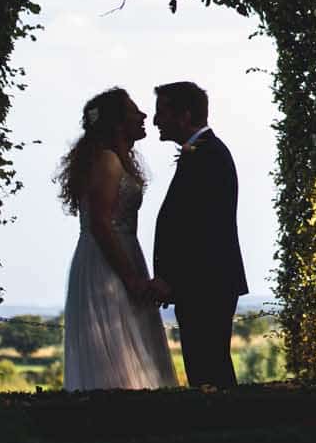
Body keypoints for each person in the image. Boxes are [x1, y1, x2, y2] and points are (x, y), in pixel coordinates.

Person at [56, 88, 179, 391]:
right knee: (116, 348)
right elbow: (100, 223)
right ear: (117, 123)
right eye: (134, 112)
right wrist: (132, 279)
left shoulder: (112, 160)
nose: (143, 116)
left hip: (120, 253)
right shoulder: (108, 162)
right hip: (107, 261)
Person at [152, 80, 249, 387]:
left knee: (209, 370)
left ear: (185, 114)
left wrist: (173, 279)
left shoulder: (207, 156)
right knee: (207, 366)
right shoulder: (204, 152)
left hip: (205, 283)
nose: (156, 120)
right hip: (205, 283)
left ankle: (222, 428)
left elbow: (200, 231)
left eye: (162, 112)